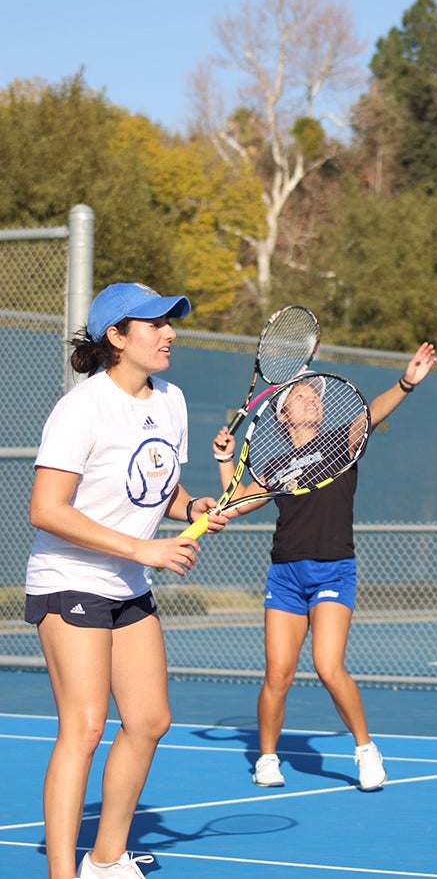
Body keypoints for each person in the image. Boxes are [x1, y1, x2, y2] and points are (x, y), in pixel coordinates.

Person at [25, 282, 228, 879]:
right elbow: (46, 509)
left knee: (149, 720)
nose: (169, 333)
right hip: (70, 579)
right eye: (155, 323)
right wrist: (144, 548)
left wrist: (191, 508)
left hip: (128, 584)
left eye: (170, 322)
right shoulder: (81, 409)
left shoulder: (172, 400)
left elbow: (158, 486)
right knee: (85, 727)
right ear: (116, 337)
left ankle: (106, 859)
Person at [212, 341, 436, 791]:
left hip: (333, 570)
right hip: (286, 575)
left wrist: (406, 383)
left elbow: (372, 413)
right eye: (300, 396)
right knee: (277, 673)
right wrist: (224, 460)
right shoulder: (274, 466)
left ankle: (366, 750)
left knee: (328, 667)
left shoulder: (340, 445)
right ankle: (267, 759)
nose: (311, 399)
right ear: (282, 416)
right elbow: (232, 505)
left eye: (315, 395)